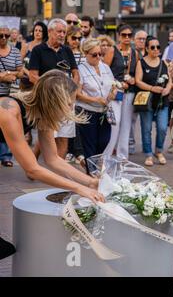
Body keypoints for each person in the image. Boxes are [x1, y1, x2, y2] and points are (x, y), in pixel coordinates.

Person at [0, 70, 105, 260]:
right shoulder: (8, 111)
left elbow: (53, 159)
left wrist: (91, 182)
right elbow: (32, 169)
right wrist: (80, 189)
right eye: (69, 103)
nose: (71, 107)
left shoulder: (42, 112)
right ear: (55, 99)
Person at [28, 18, 79, 159]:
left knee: (63, 136)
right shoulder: (38, 50)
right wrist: (51, 90)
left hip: (66, 99)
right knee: (47, 135)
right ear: (50, 32)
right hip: (47, 99)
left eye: (64, 32)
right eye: (59, 31)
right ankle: (32, 161)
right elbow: (32, 76)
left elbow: (76, 73)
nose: (62, 35)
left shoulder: (67, 50)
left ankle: (59, 171)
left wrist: (72, 91)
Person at [77, 38, 116, 163]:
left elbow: (113, 84)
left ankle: (92, 166)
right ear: (86, 54)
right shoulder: (80, 69)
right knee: (90, 145)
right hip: (88, 112)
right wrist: (95, 99)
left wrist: (113, 93)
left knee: (104, 141)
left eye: (100, 54)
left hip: (104, 111)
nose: (98, 57)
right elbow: (77, 94)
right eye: (94, 55)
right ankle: (92, 173)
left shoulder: (105, 67)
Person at [103, 24, 139, 159]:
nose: (127, 38)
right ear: (119, 36)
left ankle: (122, 157)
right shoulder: (112, 51)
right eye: (124, 35)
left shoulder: (134, 53)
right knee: (115, 122)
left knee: (126, 125)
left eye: (130, 35)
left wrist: (133, 80)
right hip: (115, 92)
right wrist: (117, 83)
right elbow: (104, 71)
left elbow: (137, 73)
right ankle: (106, 155)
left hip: (129, 92)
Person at [135, 36, 172, 166]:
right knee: (146, 128)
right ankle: (148, 154)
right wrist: (152, 88)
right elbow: (138, 81)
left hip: (162, 100)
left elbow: (170, 80)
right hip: (147, 101)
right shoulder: (141, 63)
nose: (156, 49)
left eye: (158, 47)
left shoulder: (164, 63)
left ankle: (159, 151)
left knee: (162, 128)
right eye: (152, 47)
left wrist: (167, 88)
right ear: (146, 49)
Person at [0, 25, 24, 167]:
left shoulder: (14, 52)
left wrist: (8, 75)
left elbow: (21, 72)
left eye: (6, 36)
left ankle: (6, 156)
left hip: (9, 94)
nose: (3, 38)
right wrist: (3, 77)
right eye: (0, 35)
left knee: (6, 125)